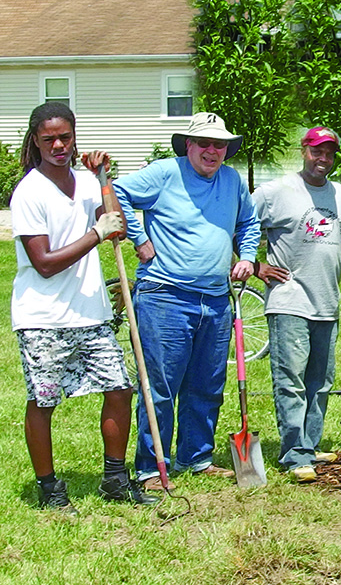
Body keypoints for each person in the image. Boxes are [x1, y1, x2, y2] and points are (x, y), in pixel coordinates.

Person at [11, 102, 158, 514]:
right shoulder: (29, 192)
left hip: (90, 313)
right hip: (43, 317)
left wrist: (104, 178)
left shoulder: (86, 181)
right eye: (48, 139)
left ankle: (114, 479)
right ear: (35, 141)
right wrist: (95, 233)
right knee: (44, 401)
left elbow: (119, 227)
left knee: (119, 389)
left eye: (65, 137)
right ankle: (50, 490)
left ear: (75, 136)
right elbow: (44, 263)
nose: (58, 145)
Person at [113, 112, 260, 491]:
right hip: (165, 296)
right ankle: (150, 466)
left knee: (207, 384)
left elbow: (249, 222)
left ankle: (196, 458)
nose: (212, 151)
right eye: (205, 143)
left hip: (215, 299)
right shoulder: (165, 172)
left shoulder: (231, 180)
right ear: (189, 145)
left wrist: (245, 255)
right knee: (160, 385)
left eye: (220, 145)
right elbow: (118, 193)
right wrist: (138, 238)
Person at [252, 126, 341, 483]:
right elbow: (242, 224)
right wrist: (254, 265)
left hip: (327, 303)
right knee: (291, 381)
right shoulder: (276, 192)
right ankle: (295, 454)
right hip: (288, 301)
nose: (322, 159)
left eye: (328, 153)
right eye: (316, 151)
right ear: (304, 151)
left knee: (319, 383)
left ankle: (308, 446)